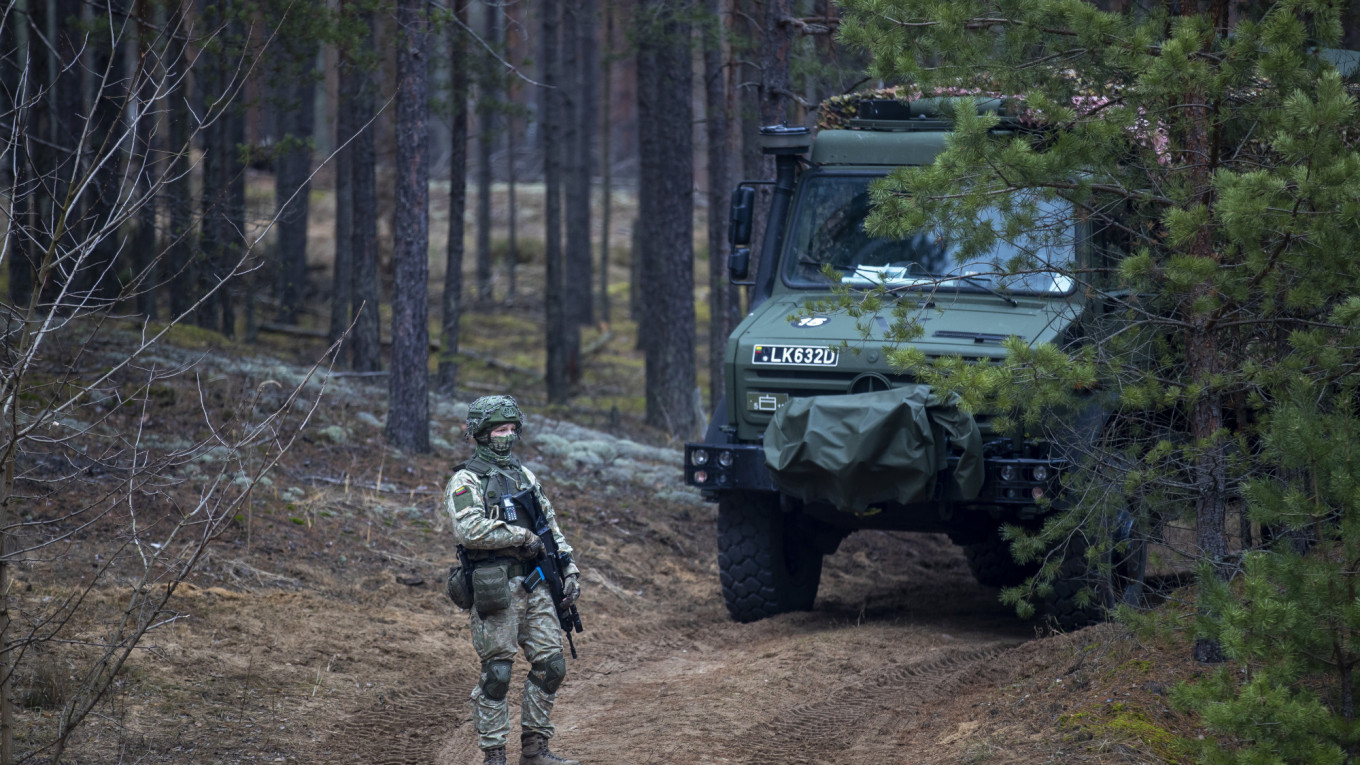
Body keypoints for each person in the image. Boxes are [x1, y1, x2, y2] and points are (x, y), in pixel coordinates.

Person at [445, 395, 582, 765]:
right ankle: (494, 756)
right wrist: (518, 537)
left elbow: (550, 527)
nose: (506, 437)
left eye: (510, 429)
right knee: (498, 674)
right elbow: (469, 528)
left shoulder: (525, 476)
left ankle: (535, 750)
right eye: (498, 430)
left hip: (536, 586)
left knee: (552, 665)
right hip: (496, 590)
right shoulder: (466, 479)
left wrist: (568, 569)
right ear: (481, 434)